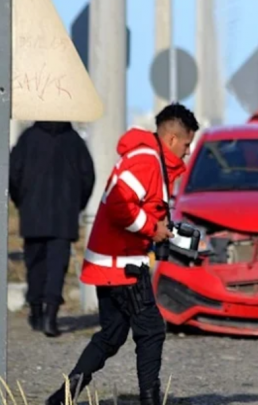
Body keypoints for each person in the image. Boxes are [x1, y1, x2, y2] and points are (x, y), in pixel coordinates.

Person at [45, 104, 199, 405]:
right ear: (170, 139)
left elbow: (133, 206)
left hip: (111, 263)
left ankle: (61, 398)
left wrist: (159, 227)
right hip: (122, 265)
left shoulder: (149, 160)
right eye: (187, 143)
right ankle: (150, 399)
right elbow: (118, 205)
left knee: (113, 334)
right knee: (152, 330)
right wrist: (150, 228)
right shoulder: (146, 161)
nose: (188, 151)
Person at [9, 121, 95, 338]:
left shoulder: (28, 138)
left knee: (35, 264)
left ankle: (36, 312)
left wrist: (22, 203)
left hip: (32, 214)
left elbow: (13, 175)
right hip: (63, 217)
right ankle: (51, 317)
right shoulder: (74, 140)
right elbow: (88, 177)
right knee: (57, 267)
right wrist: (77, 205)